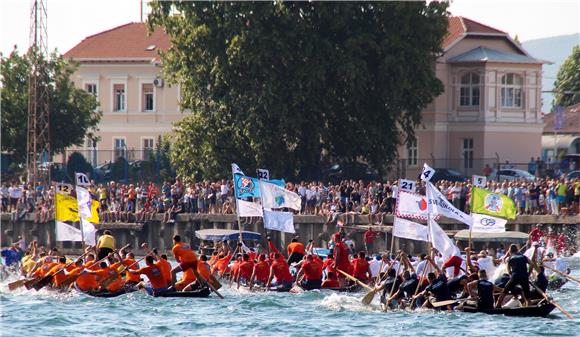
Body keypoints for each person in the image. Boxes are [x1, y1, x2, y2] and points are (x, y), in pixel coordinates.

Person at [496, 244, 532, 308]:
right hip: (524, 276)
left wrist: (510, 274)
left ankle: (498, 305)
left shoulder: (510, 258)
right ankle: (528, 306)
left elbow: (508, 268)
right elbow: (532, 264)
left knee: (505, 290)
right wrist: (528, 273)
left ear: (510, 251)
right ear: (517, 250)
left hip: (515, 276)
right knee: (527, 293)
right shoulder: (524, 256)